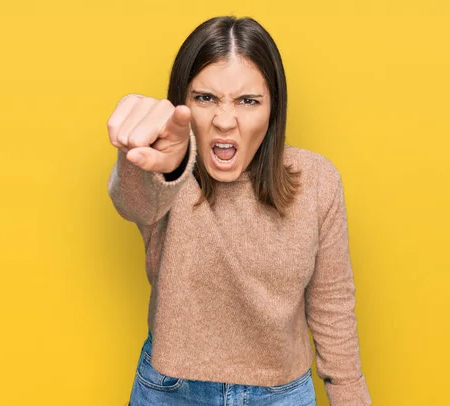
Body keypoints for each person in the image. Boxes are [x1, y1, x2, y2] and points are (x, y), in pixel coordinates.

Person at [107, 15, 372, 406]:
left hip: (284, 394)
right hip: (171, 391)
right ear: (181, 104)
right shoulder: (169, 175)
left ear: (273, 109)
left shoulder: (317, 180)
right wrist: (140, 156)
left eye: (248, 101)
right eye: (205, 98)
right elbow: (133, 200)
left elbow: (332, 305)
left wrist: (350, 396)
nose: (224, 120)